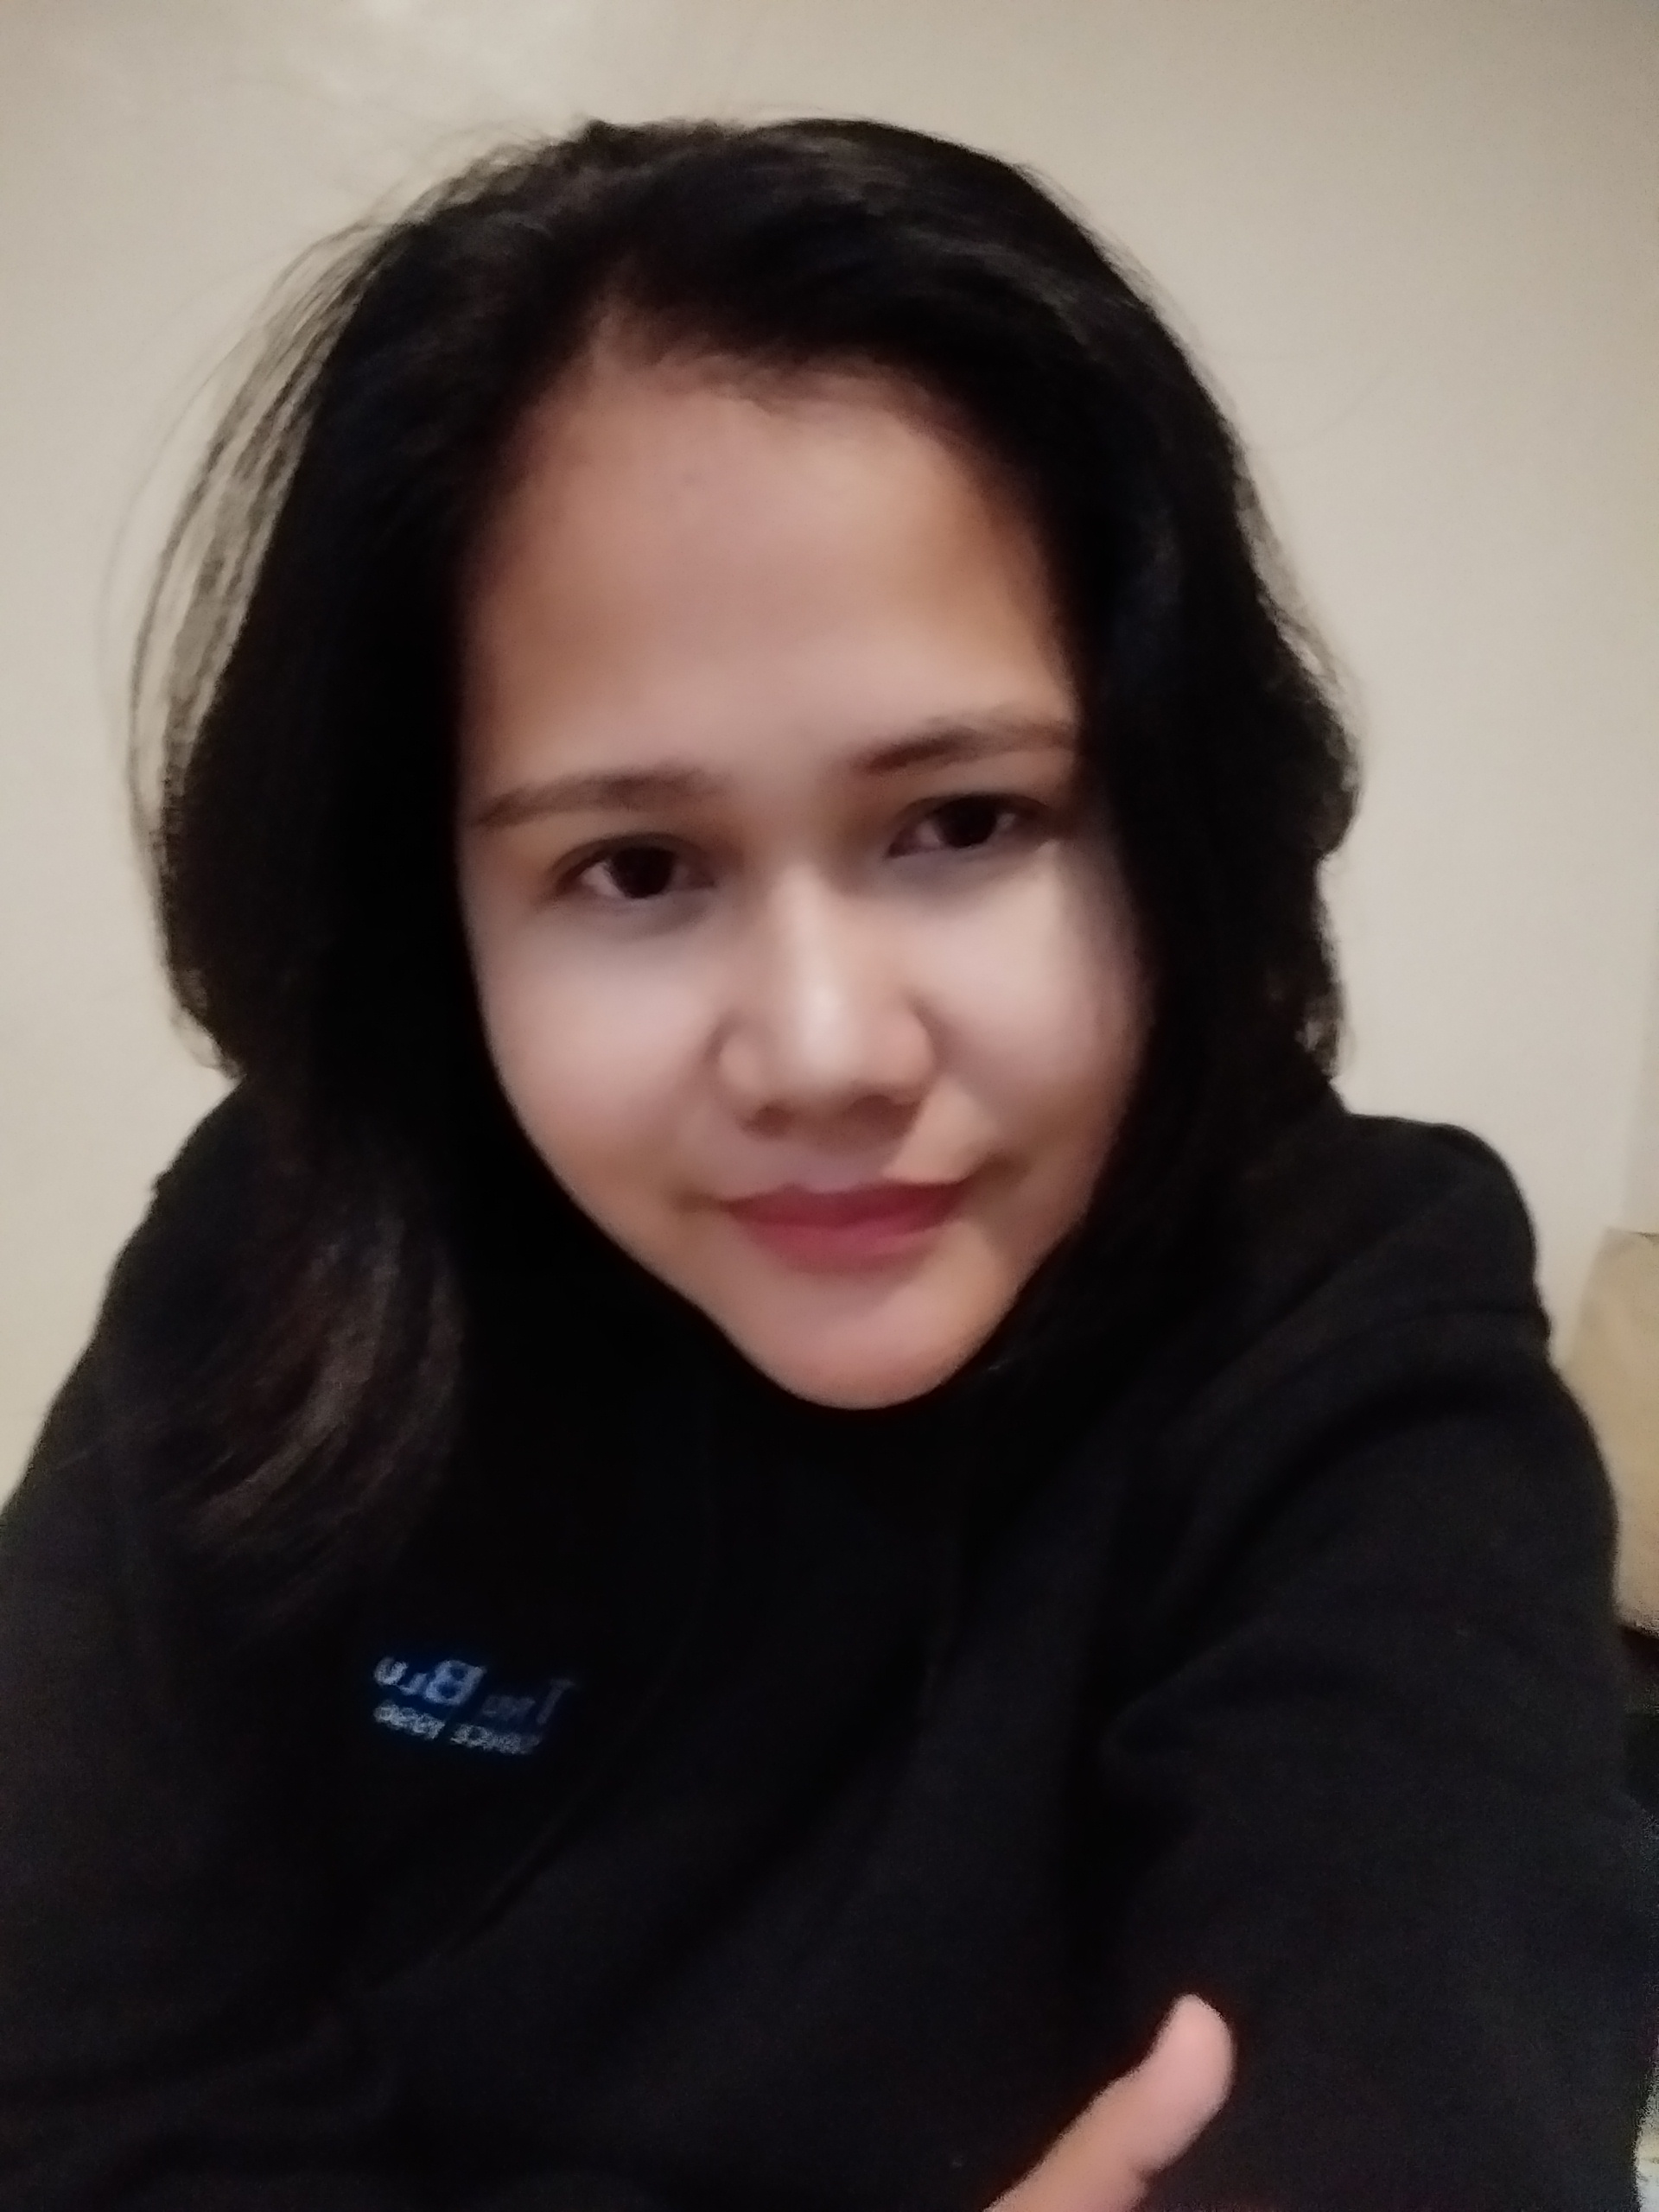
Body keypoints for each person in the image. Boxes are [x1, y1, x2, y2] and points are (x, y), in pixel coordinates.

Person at [0, 116, 1650, 2212]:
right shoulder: (290, 1251)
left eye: (965, 821)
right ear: (436, 909)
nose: (825, 1050)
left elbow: (1429, 2106)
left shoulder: (1340, 1317)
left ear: (1174, 809)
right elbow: (76, 2085)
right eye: (635, 865)